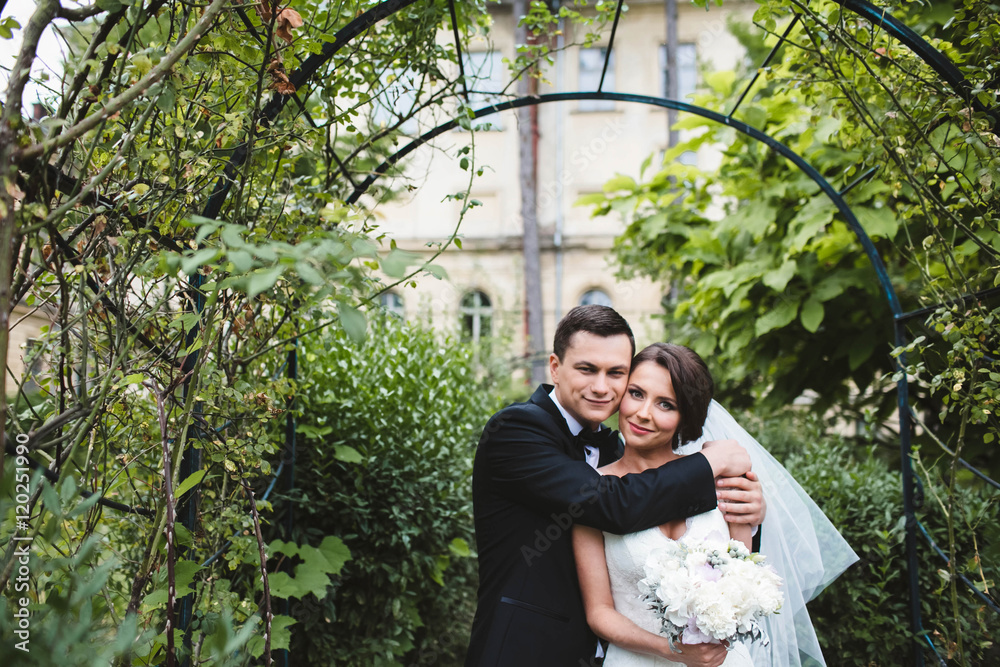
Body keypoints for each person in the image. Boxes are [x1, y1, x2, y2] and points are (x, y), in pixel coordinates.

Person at [465, 306, 765, 667]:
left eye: (616, 373)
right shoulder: (516, 431)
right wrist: (710, 462)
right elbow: (612, 504)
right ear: (555, 367)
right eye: (587, 369)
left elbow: (733, 567)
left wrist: (748, 511)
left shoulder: (616, 449)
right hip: (527, 651)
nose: (601, 387)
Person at [572, 343, 858, 667]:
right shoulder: (592, 490)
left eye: (666, 404)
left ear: (686, 416)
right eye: (636, 394)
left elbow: (743, 580)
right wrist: (673, 650)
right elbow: (599, 613)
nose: (643, 413)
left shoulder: (723, 478)